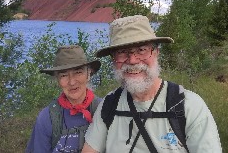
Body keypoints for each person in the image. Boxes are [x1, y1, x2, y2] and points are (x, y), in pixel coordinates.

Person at [82, 15, 222, 153]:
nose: (132, 60)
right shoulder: (109, 104)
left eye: (142, 49)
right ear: (113, 60)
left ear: (156, 53)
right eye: (122, 52)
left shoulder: (189, 107)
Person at [26, 45, 102, 153]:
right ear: (58, 80)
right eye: (64, 75)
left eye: (78, 72)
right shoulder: (47, 118)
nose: (72, 82)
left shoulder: (105, 109)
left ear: (88, 74)